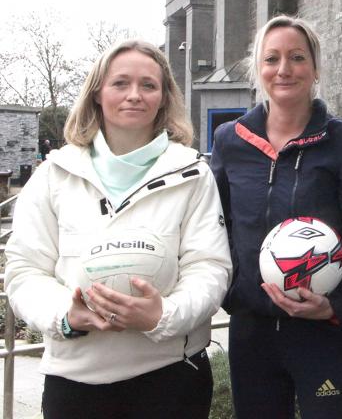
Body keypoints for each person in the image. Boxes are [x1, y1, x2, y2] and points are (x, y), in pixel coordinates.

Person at [5, 40, 232, 419]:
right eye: (120, 83)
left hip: (172, 378)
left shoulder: (193, 174)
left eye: (148, 85)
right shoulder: (53, 175)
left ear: (163, 97)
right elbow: (24, 269)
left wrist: (163, 316)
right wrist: (66, 315)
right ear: (97, 92)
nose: (134, 95)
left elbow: (209, 266)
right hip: (74, 382)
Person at [210, 15, 342, 419]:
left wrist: (335, 306)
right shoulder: (230, 141)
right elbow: (213, 227)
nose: (284, 69)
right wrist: (231, 294)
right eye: (272, 58)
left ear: (315, 68)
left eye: (297, 57)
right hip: (251, 330)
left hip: (322, 333)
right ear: (259, 68)